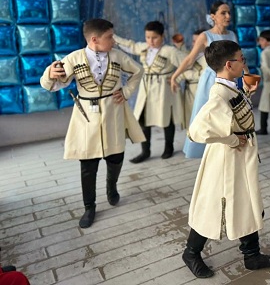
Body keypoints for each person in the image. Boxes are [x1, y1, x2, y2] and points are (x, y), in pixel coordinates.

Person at [182, 40, 270, 278]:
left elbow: (234, 115)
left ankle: (252, 255)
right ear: (229, 65)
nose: (244, 63)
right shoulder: (219, 94)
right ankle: (191, 252)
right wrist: (231, 140)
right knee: (213, 205)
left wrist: (246, 92)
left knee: (247, 201)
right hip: (226, 160)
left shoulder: (231, 88)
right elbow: (195, 131)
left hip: (240, 158)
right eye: (241, 59)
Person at [40, 19, 144, 228]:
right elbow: (51, 85)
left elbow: (138, 71)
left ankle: (111, 187)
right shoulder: (74, 58)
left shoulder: (117, 56)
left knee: (116, 157)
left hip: (113, 112)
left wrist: (126, 91)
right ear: (95, 39)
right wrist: (49, 74)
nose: (114, 41)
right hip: (86, 116)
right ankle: (89, 207)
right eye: (110, 37)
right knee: (88, 165)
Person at [170, 1, 239, 159]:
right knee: (206, 115)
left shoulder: (232, 35)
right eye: (223, 13)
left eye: (229, 12)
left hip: (229, 80)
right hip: (210, 80)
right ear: (213, 16)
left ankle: (228, 146)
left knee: (229, 114)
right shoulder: (205, 36)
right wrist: (174, 76)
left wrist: (247, 75)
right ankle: (202, 149)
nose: (228, 16)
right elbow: (190, 59)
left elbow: (238, 58)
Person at [114, 21, 185, 163]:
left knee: (166, 118)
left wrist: (176, 78)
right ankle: (145, 151)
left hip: (163, 89)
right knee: (143, 120)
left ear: (162, 36)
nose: (151, 41)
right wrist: (113, 37)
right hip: (146, 88)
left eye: (154, 37)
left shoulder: (169, 51)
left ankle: (169, 147)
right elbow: (130, 45)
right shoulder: (144, 48)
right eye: (148, 37)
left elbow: (187, 63)